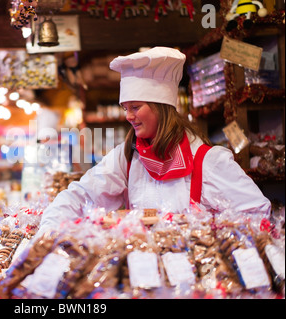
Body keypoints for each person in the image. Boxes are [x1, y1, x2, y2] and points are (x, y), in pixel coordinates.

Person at [37, 46, 271, 235]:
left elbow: (257, 212)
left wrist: (209, 231)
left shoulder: (208, 160)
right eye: (125, 108)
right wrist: (47, 231)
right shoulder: (126, 156)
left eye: (136, 107)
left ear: (161, 108)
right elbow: (81, 195)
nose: (129, 116)